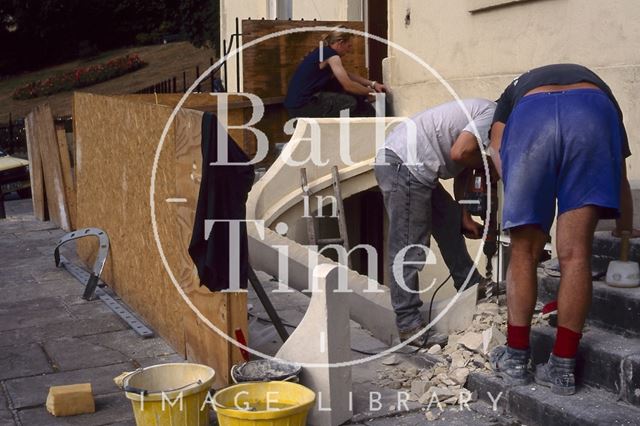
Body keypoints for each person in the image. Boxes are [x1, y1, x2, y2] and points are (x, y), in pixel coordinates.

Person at [488, 63, 636, 395]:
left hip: (532, 119)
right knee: (575, 254)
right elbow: (618, 169)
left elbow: (498, 151)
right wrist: (625, 225)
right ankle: (563, 367)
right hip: (592, 116)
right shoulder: (603, 93)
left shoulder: (512, 92)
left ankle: (515, 359)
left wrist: (528, 210)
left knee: (523, 252)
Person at [374, 98, 497, 346]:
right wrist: (490, 167)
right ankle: (409, 324)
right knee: (409, 245)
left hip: (415, 166)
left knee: (448, 217)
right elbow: (460, 153)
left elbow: (461, 168)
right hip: (404, 164)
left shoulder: (482, 119)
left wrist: (464, 215)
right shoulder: (492, 114)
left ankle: (471, 284)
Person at [284, 27, 386, 119]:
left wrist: (372, 84)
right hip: (303, 106)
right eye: (349, 46)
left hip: (295, 105)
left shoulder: (323, 52)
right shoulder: (332, 56)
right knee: (349, 102)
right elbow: (348, 85)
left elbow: (347, 75)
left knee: (343, 90)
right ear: (340, 43)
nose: (350, 50)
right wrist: (370, 93)